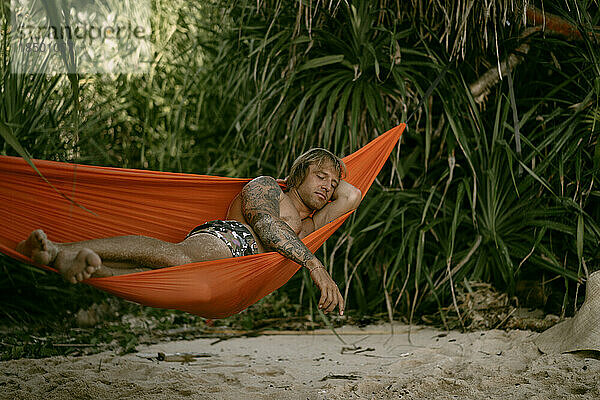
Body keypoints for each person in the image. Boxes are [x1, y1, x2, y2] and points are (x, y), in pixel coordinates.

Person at [16, 148, 361, 315]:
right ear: (299, 173)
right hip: (229, 240)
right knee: (177, 258)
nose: (328, 188)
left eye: (332, 183)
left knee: (181, 287)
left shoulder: (309, 224)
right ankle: (61, 247)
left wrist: (332, 171)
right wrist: (315, 266)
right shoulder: (268, 187)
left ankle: (77, 263)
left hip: (235, 278)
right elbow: (268, 228)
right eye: (320, 177)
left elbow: (353, 195)